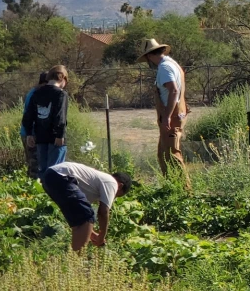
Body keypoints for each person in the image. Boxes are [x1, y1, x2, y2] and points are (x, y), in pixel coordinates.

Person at [40, 160, 132, 252]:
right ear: (120, 186)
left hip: (49, 177)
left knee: (82, 218)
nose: (113, 197)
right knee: (88, 215)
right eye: (117, 195)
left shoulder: (92, 185)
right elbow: (103, 212)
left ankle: (74, 258)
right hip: (62, 176)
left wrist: (91, 233)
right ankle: (77, 259)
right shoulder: (112, 183)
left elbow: (78, 216)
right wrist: (102, 235)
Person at [138, 38, 191, 186]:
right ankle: (171, 187)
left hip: (171, 116)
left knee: (172, 155)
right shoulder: (173, 64)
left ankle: (185, 192)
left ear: (149, 56)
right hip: (176, 114)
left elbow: (174, 90)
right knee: (163, 154)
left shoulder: (164, 67)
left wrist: (167, 117)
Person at [22, 65, 69, 178]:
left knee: (42, 170)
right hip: (55, 138)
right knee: (56, 170)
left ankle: (42, 193)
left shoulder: (37, 93)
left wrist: (29, 134)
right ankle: (53, 194)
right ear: (62, 78)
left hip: (40, 137)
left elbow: (28, 115)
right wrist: (60, 134)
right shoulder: (61, 94)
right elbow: (60, 116)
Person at [19, 72, 47, 178]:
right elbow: (29, 115)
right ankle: (33, 189)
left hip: (29, 131)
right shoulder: (36, 94)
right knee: (34, 163)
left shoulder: (34, 91)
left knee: (32, 164)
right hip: (30, 132)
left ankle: (30, 187)